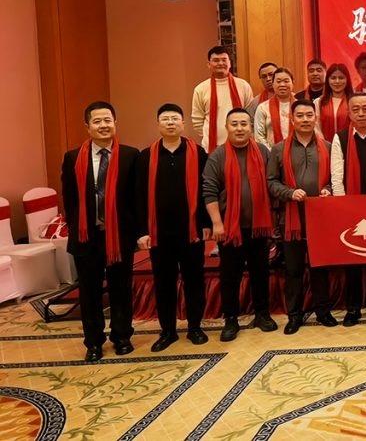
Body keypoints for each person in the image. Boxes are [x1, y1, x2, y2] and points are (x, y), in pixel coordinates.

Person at [61, 101, 140, 361]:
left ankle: (122, 336)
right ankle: (93, 342)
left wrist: (137, 231)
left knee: (121, 288)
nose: (103, 125)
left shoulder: (130, 155)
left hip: (120, 235)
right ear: (87, 126)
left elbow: (136, 198)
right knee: (89, 292)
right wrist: (78, 226)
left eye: (108, 120)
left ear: (115, 123)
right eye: (97, 121)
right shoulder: (73, 158)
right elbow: (69, 198)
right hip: (87, 236)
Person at [135, 103, 211, 352]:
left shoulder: (198, 153)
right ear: (158, 124)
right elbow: (138, 197)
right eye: (165, 119)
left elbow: (206, 190)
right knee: (163, 283)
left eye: (175, 118)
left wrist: (206, 224)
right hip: (160, 233)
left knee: (194, 281)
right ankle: (168, 331)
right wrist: (142, 231)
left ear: (183, 124)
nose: (170, 122)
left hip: (191, 232)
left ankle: (195, 327)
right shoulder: (146, 156)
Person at [202, 108, 277, 341]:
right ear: (227, 127)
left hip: (258, 226)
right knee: (230, 276)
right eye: (234, 124)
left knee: (260, 273)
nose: (239, 128)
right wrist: (217, 223)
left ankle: (262, 314)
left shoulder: (263, 151)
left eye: (244, 124)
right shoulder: (217, 156)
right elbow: (209, 191)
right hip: (229, 228)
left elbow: (272, 184)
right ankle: (231, 320)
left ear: (250, 127)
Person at [266, 100, 337, 334]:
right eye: (300, 116)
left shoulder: (328, 146)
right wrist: (289, 193)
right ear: (292, 119)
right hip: (291, 220)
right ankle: (294, 315)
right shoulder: (278, 149)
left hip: (321, 220)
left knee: (320, 269)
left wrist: (328, 189)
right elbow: (271, 182)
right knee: (293, 271)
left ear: (315, 118)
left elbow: (336, 179)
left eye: (309, 115)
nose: (305, 119)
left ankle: (323, 312)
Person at [330, 93, 366, 325]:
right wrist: (342, 206)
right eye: (356, 110)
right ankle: (353, 308)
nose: (362, 114)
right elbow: (337, 176)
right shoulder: (340, 138)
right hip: (350, 207)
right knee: (352, 258)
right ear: (349, 113)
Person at [192, 46, 255, 153]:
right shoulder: (201, 89)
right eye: (216, 60)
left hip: (242, 146)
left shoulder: (243, 85)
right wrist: (210, 135)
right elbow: (197, 121)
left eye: (224, 60)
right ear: (209, 64)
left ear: (230, 63)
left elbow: (250, 115)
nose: (220, 63)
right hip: (212, 148)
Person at [254, 67, 296, 147]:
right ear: (273, 84)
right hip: (271, 153)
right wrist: (271, 152)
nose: (282, 85)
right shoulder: (263, 108)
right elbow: (259, 136)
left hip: (297, 152)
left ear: (292, 82)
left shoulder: (300, 106)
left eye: (286, 81)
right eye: (278, 81)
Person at [314, 63, 353, 144]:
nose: (337, 81)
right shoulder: (319, 102)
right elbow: (316, 127)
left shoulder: (353, 101)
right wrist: (325, 144)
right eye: (333, 78)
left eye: (341, 78)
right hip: (324, 145)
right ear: (328, 80)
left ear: (347, 80)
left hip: (349, 145)